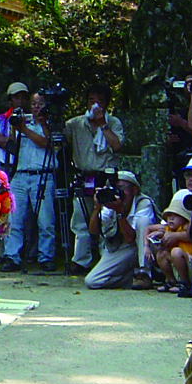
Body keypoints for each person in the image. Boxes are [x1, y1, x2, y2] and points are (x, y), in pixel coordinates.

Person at [63, 83, 125, 275]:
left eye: (100, 101)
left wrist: (102, 124)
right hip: (83, 175)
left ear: (107, 104)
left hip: (106, 175)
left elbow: (117, 146)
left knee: (106, 218)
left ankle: (106, 259)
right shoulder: (75, 124)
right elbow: (59, 142)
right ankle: (80, 260)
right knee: (80, 220)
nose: (95, 105)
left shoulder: (113, 122)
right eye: (92, 101)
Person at [0, 92, 56, 272]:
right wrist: (14, 128)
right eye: (33, 104)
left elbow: (46, 142)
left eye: (40, 103)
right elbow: (11, 147)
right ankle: (12, 256)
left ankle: (46, 257)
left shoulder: (50, 124)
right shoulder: (23, 122)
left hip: (42, 175)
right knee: (14, 218)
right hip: (21, 174)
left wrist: (25, 129)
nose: (36, 107)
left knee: (45, 220)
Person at [83, 171, 155, 290]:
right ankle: (130, 277)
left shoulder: (143, 203)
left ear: (134, 190)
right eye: (115, 188)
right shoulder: (111, 202)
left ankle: (144, 274)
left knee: (143, 221)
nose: (118, 192)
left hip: (142, 246)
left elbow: (130, 238)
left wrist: (120, 213)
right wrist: (97, 208)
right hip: (119, 248)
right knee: (92, 281)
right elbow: (93, 231)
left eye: (121, 188)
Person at [151, 191, 192, 293]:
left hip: (191, 263)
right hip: (177, 263)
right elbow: (149, 229)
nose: (171, 218)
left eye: (176, 215)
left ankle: (185, 283)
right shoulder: (169, 229)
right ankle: (171, 281)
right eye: (169, 215)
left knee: (176, 251)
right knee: (162, 254)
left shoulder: (187, 228)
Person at [0, 82, 30, 174]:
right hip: (5, 165)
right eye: (16, 98)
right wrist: (19, 146)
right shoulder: (2, 118)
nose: (20, 101)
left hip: (25, 167)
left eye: (23, 98)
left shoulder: (31, 118)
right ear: (10, 100)